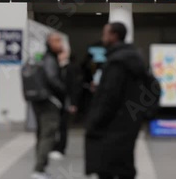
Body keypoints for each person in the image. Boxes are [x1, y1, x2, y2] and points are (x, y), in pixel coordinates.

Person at [85, 22, 148, 179]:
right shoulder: (133, 58)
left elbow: (110, 97)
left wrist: (94, 122)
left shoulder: (117, 62)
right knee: (124, 165)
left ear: (114, 35)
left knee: (107, 167)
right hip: (128, 123)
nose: (103, 37)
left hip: (112, 126)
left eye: (105, 33)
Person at [32, 33, 66, 179]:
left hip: (40, 101)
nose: (61, 44)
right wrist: (64, 90)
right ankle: (39, 170)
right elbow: (52, 79)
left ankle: (41, 168)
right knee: (48, 135)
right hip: (49, 102)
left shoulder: (44, 58)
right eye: (57, 41)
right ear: (49, 43)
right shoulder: (50, 60)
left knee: (42, 134)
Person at [49, 53, 82, 160]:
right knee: (55, 126)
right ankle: (54, 147)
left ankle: (61, 149)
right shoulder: (56, 67)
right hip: (57, 102)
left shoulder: (71, 68)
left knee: (63, 126)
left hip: (66, 101)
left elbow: (74, 86)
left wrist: (73, 103)